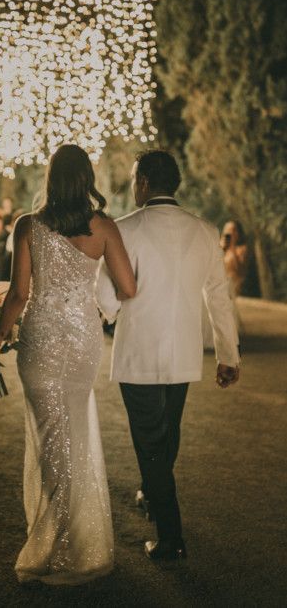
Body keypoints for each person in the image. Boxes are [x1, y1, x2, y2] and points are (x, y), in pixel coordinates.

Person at [0, 144, 136, 585]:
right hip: (82, 339)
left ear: (50, 179)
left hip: (42, 339)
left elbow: (19, 294)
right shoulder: (102, 227)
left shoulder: (28, 225)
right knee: (73, 433)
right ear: (86, 180)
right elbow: (128, 286)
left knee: (51, 439)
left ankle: (56, 543)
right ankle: (68, 540)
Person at [96, 150, 240, 561]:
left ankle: (171, 536)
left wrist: (110, 310)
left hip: (140, 350)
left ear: (142, 182)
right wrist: (228, 354)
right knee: (166, 432)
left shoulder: (125, 228)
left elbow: (107, 292)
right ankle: (152, 492)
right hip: (183, 352)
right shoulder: (205, 230)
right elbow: (218, 296)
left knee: (150, 443)